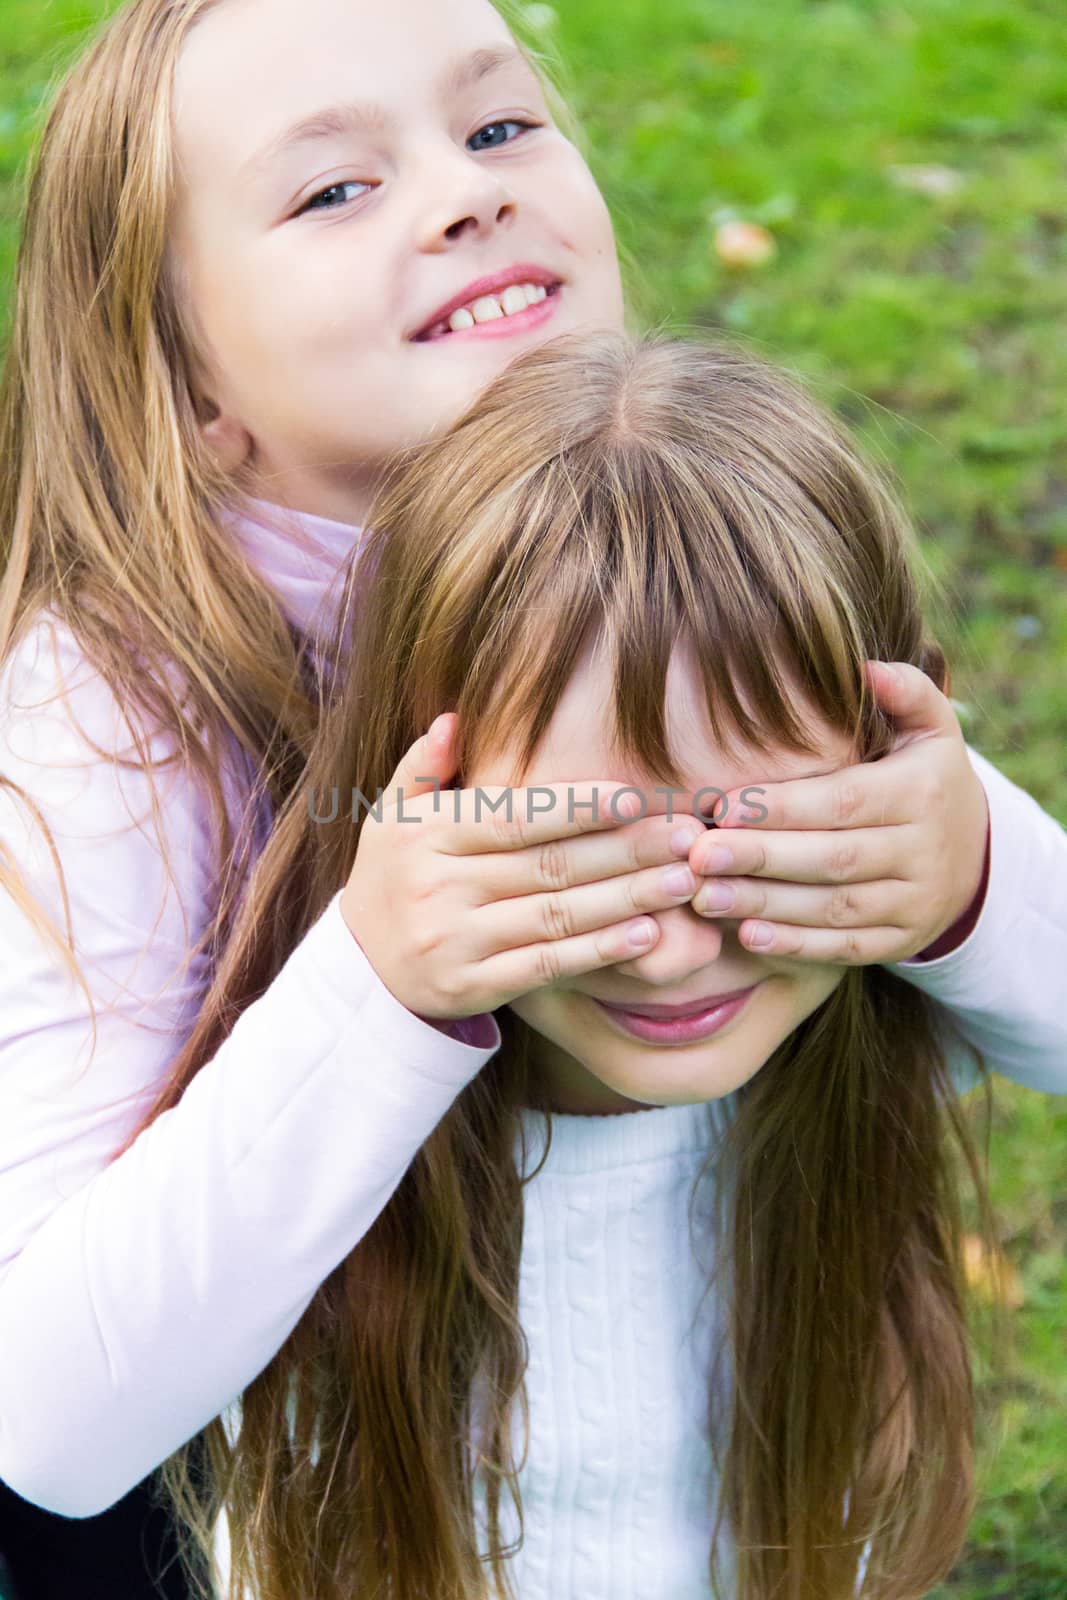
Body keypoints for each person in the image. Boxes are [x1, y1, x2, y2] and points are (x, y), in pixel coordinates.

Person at [0, 0, 1062, 1591]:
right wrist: (376, 980)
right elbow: (51, 1418)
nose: (464, 191)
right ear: (189, 388)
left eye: (497, 129)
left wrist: (968, 873)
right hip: (231, 1461)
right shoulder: (112, 715)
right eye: (332, 190)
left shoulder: (661, 539)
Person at [125, 327, 1067, 1600]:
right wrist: (380, 986)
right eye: (576, 857)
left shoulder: (889, 993)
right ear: (424, 795)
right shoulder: (319, 1099)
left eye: (755, 849)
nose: (672, 953)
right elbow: (82, 1404)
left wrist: (966, 881)